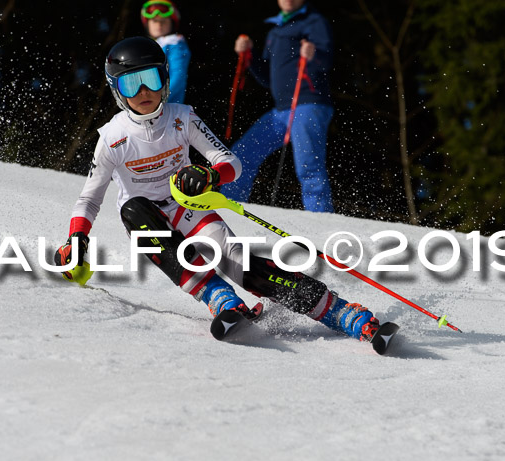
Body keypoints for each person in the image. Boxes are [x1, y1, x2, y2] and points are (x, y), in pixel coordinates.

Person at [54, 36, 380, 345]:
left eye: (150, 79)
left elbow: (230, 163)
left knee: (242, 265)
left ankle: (338, 311)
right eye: (130, 83)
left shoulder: (182, 118)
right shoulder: (113, 137)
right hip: (147, 220)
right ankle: (217, 296)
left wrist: (208, 175)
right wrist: (76, 238)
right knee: (133, 209)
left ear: (164, 79)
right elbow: (90, 197)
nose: (143, 91)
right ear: (117, 91)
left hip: (190, 210)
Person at [220, 0, 335, 213]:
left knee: (308, 165)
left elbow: (327, 59)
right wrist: (249, 57)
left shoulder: (313, 21)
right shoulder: (276, 30)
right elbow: (267, 78)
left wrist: (314, 54)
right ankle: (229, 211)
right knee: (241, 154)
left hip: (309, 104)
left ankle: (322, 219)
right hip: (282, 110)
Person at [140, 0, 191, 104]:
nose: (159, 25)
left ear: (172, 23)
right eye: (154, 21)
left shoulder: (175, 44)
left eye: (163, 21)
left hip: (168, 106)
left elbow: (178, 76)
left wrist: (160, 98)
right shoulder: (148, 46)